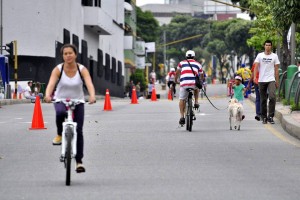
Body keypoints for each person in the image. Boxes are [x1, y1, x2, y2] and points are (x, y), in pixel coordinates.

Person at [44, 44, 96, 173]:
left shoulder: (82, 69)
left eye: (70, 53)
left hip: (78, 101)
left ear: (75, 55)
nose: (68, 56)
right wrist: (47, 95)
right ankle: (59, 134)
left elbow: (89, 83)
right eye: (65, 54)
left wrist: (92, 96)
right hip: (61, 99)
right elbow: (51, 84)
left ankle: (79, 162)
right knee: (60, 112)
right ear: (63, 56)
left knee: (78, 130)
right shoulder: (58, 69)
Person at [253, 40, 280, 124]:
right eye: (266, 45)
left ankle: (270, 116)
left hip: (271, 79)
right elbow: (256, 67)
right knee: (263, 99)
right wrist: (254, 77)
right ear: (264, 46)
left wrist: (277, 81)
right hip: (261, 80)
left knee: (272, 97)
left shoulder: (274, 56)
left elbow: (276, 69)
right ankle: (264, 117)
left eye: (269, 45)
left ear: (271, 46)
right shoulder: (259, 55)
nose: (268, 47)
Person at [175, 50, 203, 125]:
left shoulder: (181, 63)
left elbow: (177, 72)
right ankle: (196, 102)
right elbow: (201, 75)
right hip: (194, 84)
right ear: (193, 56)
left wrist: (176, 80)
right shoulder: (198, 64)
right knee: (196, 89)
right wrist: (201, 81)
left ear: (186, 56)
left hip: (184, 84)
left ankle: (181, 116)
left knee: (182, 99)